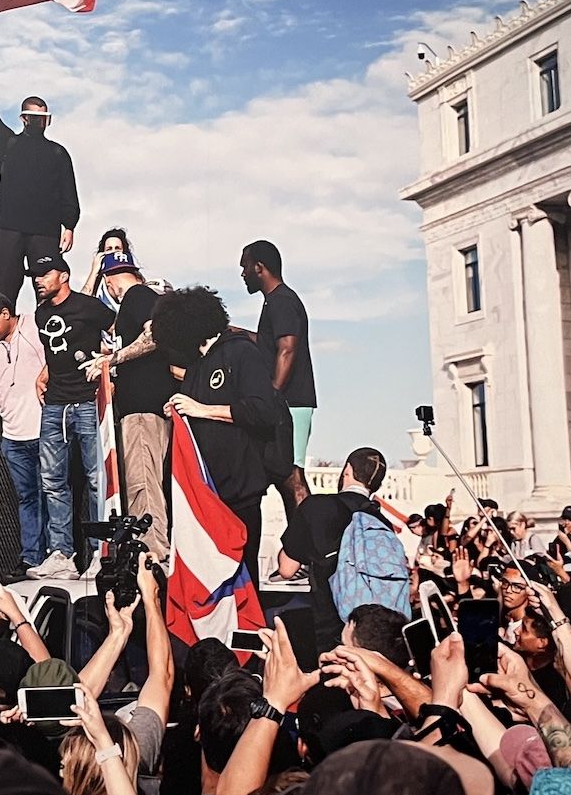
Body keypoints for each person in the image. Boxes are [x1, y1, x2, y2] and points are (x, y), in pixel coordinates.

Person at [153, 285, 286, 584]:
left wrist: (202, 409)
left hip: (239, 493)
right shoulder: (199, 365)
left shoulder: (241, 351)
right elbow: (192, 410)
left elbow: (263, 411)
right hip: (206, 496)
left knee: (242, 581)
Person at [0, 50, 79, 307]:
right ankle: (4, 346)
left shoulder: (58, 153)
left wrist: (69, 225)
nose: (39, 123)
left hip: (45, 232)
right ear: (24, 118)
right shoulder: (8, 144)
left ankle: (49, 343)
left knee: (50, 293)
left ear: (48, 121)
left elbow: (68, 191)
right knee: (4, 296)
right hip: (8, 229)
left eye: (44, 119)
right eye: (34, 118)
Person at [28, 252, 114, 580]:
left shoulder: (89, 307)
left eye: (43, 274)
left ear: (63, 275)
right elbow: (57, 351)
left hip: (88, 403)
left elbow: (117, 334)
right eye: (34, 275)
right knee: (52, 482)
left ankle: (99, 555)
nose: (37, 280)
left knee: (96, 480)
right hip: (54, 407)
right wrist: (44, 373)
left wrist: (109, 365)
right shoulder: (40, 314)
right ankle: (61, 555)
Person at [84, 250, 173, 563]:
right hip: (144, 408)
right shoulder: (139, 299)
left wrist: (114, 359)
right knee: (144, 482)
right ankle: (148, 550)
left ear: (109, 282)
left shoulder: (138, 295)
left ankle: (152, 553)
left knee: (143, 483)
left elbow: (154, 336)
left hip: (144, 411)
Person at [277, 446, 398, 650]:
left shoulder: (316, 506)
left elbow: (286, 569)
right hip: (372, 631)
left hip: (330, 625)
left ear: (347, 470)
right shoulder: (382, 522)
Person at [0, 292, 48, 576]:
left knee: (54, 494)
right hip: (13, 438)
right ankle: (31, 559)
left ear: (6, 313)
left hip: (46, 429)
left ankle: (59, 554)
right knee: (27, 498)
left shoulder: (34, 327)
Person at [239, 240, 315, 508]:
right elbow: (271, 343)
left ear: (259, 268)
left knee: (292, 475)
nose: (242, 273)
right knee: (283, 475)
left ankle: (309, 543)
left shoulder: (282, 300)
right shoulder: (274, 302)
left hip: (291, 402)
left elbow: (287, 348)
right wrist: (235, 333)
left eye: (244, 266)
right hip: (285, 402)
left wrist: (271, 393)